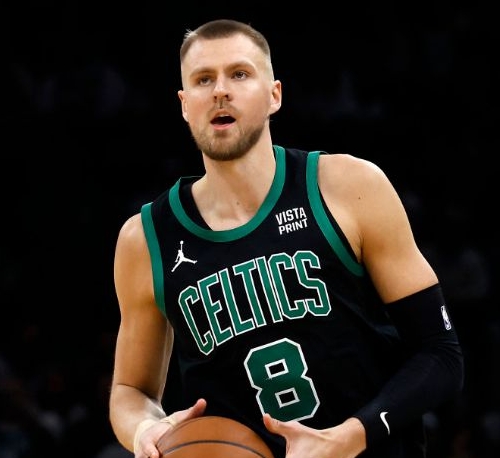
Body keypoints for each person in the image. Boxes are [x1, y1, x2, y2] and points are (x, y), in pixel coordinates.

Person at [108, 18, 464, 458]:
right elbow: (131, 390)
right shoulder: (145, 240)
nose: (220, 91)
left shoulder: (347, 186)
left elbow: (440, 354)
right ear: (184, 104)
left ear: (274, 94)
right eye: (203, 80)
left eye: (239, 74)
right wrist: (143, 428)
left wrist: (351, 436)